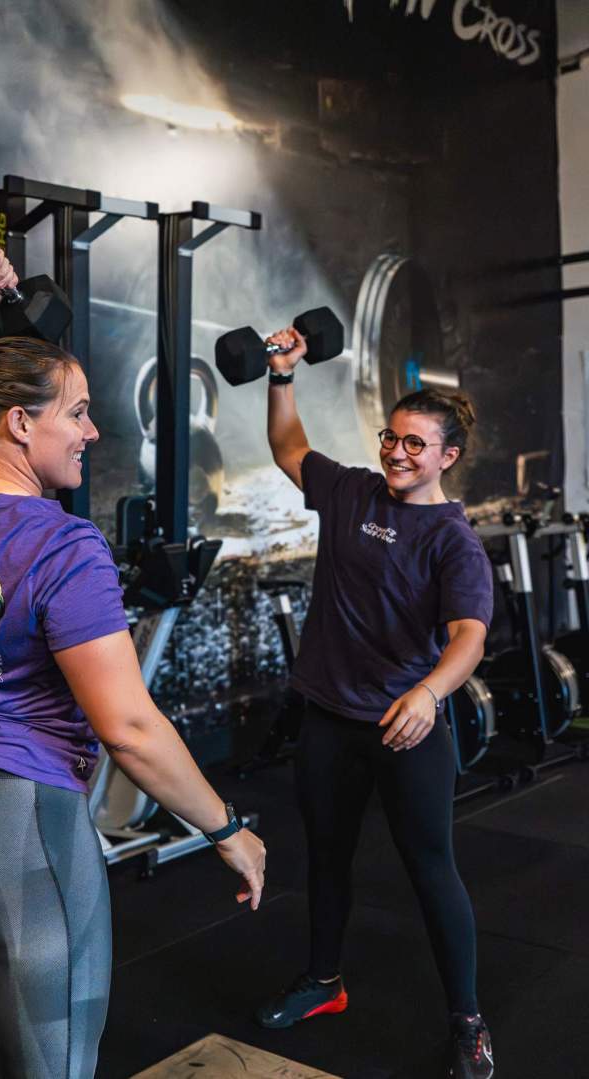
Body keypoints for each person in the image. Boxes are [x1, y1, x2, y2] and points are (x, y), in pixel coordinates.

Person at [0, 248, 265, 1079]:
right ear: (19, 420)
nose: (93, 431)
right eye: (77, 414)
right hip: (11, 821)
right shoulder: (63, 544)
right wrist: (227, 828)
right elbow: (127, 726)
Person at [256, 325, 494, 1079]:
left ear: (448, 456)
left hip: (405, 727)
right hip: (328, 717)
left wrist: (428, 693)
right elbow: (290, 447)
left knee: (431, 870)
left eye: (416, 445)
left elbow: (468, 638)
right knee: (326, 858)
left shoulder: (453, 541)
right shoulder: (353, 489)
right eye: (392, 438)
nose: (397, 452)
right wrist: (281, 376)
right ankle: (325, 983)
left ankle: (468, 1022)